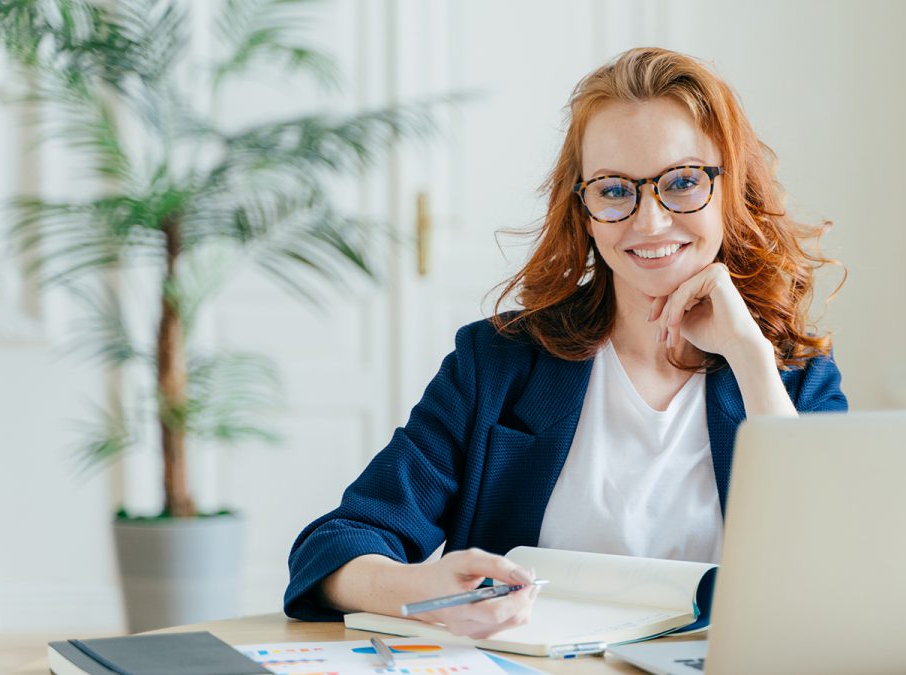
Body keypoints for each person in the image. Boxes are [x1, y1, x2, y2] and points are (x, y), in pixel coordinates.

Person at [284, 47, 847, 639]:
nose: (650, 222)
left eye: (682, 182)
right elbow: (332, 549)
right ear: (581, 208)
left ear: (732, 190)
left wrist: (751, 356)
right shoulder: (497, 365)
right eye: (613, 190)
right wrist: (419, 589)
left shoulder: (792, 375)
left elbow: (842, 565)